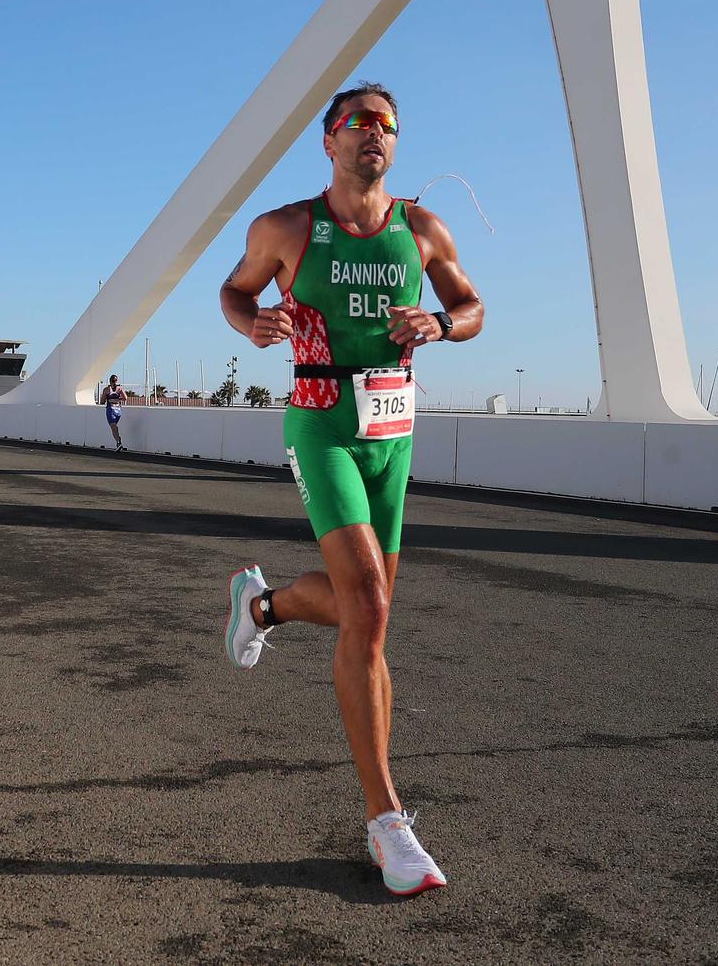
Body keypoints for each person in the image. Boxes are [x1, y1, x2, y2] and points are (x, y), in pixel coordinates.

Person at [217, 82, 482, 898]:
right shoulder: (289, 226)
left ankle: (261, 606)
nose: (375, 133)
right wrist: (252, 321)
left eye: (387, 125)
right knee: (366, 602)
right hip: (322, 417)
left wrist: (442, 324)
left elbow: (470, 305)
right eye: (358, 122)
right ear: (328, 140)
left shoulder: (422, 228)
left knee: (366, 611)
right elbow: (235, 290)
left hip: (392, 430)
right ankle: (388, 822)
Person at [101, 374, 127, 449]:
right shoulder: (120, 389)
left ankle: (118, 442)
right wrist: (118, 399)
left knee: (113, 427)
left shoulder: (106, 389)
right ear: (117, 381)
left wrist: (108, 399)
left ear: (110, 381)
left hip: (111, 410)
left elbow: (102, 401)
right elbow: (125, 398)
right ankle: (118, 440)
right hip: (118, 410)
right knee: (114, 427)